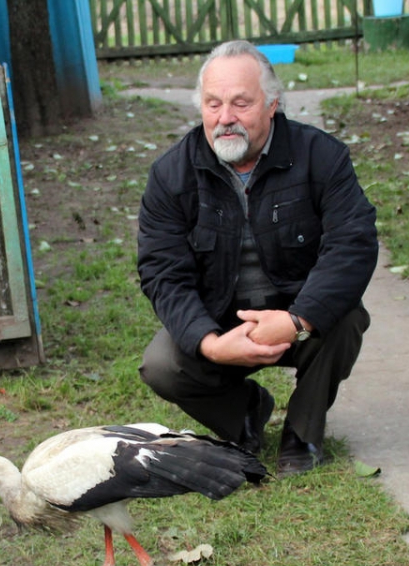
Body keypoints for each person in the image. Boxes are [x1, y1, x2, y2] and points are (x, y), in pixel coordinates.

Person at [136, 39, 379, 476]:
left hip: (298, 319)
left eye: (241, 103)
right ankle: (245, 415)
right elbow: (162, 272)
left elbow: (353, 245)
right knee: (161, 364)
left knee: (344, 317)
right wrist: (210, 341)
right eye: (213, 104)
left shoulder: (323, 158)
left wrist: (297, 319)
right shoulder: (170, 175)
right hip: (221, 322)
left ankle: (302, 434)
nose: (225, 118)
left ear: (272, 105)